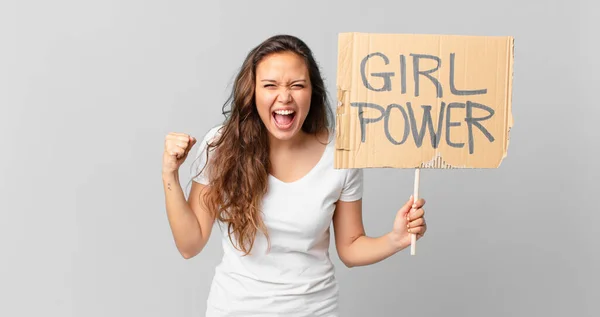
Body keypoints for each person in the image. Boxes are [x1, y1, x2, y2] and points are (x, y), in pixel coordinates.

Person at [162, 34, 427, 317]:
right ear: (252, 92)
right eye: (270, 85)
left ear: (312, 92)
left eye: (297, 85)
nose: (284, 96)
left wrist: (396, 239)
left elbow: (350, 248)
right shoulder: (221, 145)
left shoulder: (341, 155)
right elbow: (190, 245)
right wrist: (170, 174)